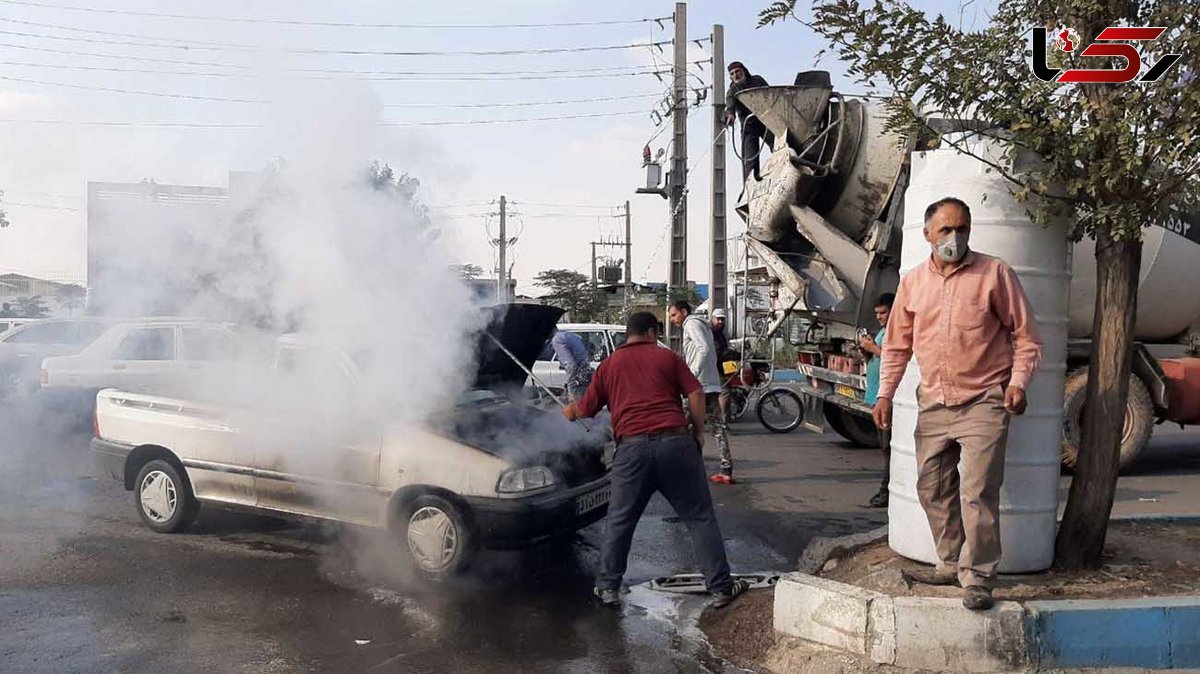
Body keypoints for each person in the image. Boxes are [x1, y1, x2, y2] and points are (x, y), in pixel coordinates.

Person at [872, 197, 1042, 611]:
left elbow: (1026, 337)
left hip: (985, 399)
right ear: (927, 234)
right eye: (946, 230)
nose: (955, 238)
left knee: (977, 491)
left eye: (962, 229)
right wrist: (884, 395)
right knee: (931, 486)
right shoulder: (913, 283)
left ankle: (979, 576)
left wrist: (1018, 383)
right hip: (933, 401)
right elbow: (896, 347)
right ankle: (951, 561)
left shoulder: (994, 274)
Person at [563, 312, 748, 609]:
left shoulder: (609, 365)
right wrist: (698, 432)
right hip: (676, 444)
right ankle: (721, 589)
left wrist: (569, 411)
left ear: (628, 334)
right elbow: (696, 392)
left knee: (621, 521)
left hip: (631, 452)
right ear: (651, 332)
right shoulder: (668, 358)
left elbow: (585, 410)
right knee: (700, 518)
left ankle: (608, 588)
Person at [668, 300, 733, 484]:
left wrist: (691, 376)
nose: (673, 320)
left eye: (674, 315)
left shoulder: (691, 324)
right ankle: (726, 469)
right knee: (717, 427)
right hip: (709, 385)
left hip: (699, 387)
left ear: (683, 311)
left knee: (683, 426)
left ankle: (688, 469)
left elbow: (703, 349)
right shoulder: (703, 325)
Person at [859, 293, 895, 509]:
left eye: (883, 312)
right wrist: (867, 351)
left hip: (887, 400)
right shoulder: (883, 331)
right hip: (877, 398)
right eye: (877, 313)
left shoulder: (896, 332)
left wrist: (874, 349)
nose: (880, 317)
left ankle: (887, 492)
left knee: (889, 449)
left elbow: (897, 359)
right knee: (885, 448)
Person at [725, 61, 774, 181]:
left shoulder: (757, 80)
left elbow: (771, 94)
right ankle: (752, 183)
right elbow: (730, 106)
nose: (735, 75)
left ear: (744, 71)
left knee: (779, 144)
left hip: (765, 121)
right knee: (750, 159)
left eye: (737, 71)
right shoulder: (732, 90)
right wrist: (730, 114)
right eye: (732, 74)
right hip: (749, 126)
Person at [550, 328, 592, 403]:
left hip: (578, 379)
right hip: (585, 374)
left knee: (575, 408)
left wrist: (571, 392)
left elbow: (570, 365)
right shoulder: (569, 335)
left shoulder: (557, 340)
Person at [710, 308, 734, 424]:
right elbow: (719, 352)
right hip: (713, 366)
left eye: (722, 319)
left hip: (719, 365)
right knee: (725, 392)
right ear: (712, 319)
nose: (720, 322)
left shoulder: (720, 333)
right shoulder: (712, 333)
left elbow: (724, 349)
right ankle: (723, 422)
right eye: (718, 319)